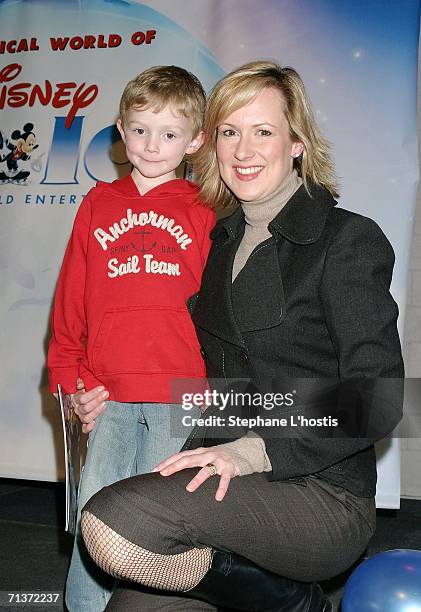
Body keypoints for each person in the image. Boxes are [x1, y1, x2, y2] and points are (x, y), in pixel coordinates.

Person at [78, 61, 404, 612]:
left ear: (297, 142)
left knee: (112, 523)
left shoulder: (347, 239)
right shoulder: (219, 242)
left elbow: (380, 399)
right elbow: (186, 357)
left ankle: (298, 604)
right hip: (224, 471)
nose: (243, 150)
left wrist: (254, 450)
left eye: (263, 131)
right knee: (129, 602)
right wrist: (103, 387)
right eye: (230, 131)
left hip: (319, 494)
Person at [47, 65, 215, 612]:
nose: (152, 144)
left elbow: (221, 311)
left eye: (169, 134)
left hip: (181, 393)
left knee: (158, 524)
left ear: (195, 140)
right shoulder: (96, 206)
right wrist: (71, 379)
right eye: (141, 129)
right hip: (108, 393)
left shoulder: (206, 209)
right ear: (121, 129)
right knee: (99, 517)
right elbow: (71, 298)